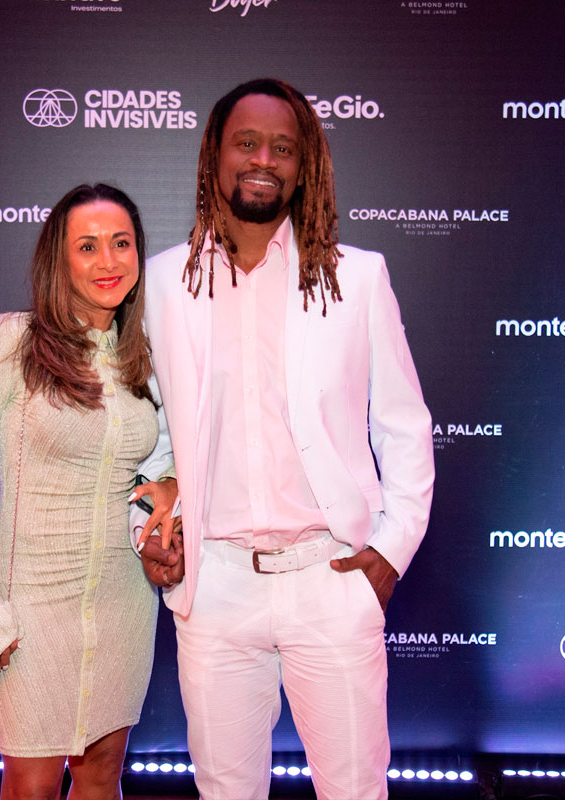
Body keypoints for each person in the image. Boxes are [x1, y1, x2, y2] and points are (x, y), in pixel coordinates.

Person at [138, 79, 435, 800]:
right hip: (214, 587)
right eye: (246, 142)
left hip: (330, 578)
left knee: (355, 790)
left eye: (283, 148)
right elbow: (147, 438)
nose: (263, 159)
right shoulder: (163, 283)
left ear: (305, 168)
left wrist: (390, 551)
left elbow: (403, 423)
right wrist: (145, 531)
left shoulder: (357, 278)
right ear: (215, 155)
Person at [0, 183, 177, 800]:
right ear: (58, 259)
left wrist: (166, 487)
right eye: (87, 246)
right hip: (30, 607)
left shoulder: (145, 358)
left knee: (101, 777)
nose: (107, 260)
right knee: (32, 785)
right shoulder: (11, 342)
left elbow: (157, 463)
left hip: (124, 599)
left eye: (121, 243)